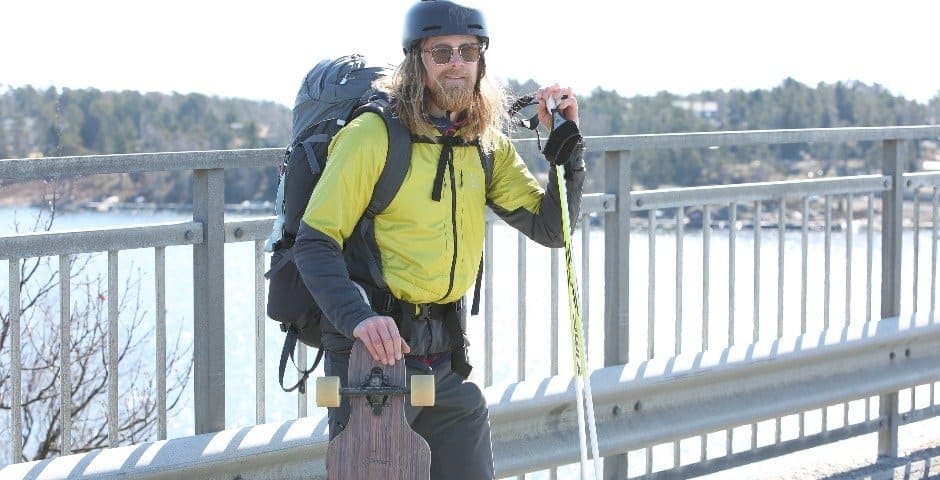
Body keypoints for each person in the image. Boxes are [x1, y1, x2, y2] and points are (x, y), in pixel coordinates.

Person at [293, 1, 585, 478]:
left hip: (443, 358)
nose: (456, 64)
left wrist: (566, 150)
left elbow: (552, 228)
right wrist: (360, 319)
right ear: (416, 61)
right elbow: (314, 241)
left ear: (481, 60)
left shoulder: (483, 143)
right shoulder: (373, 136)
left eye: (468, 51)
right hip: (374, 364)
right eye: (441, 52)